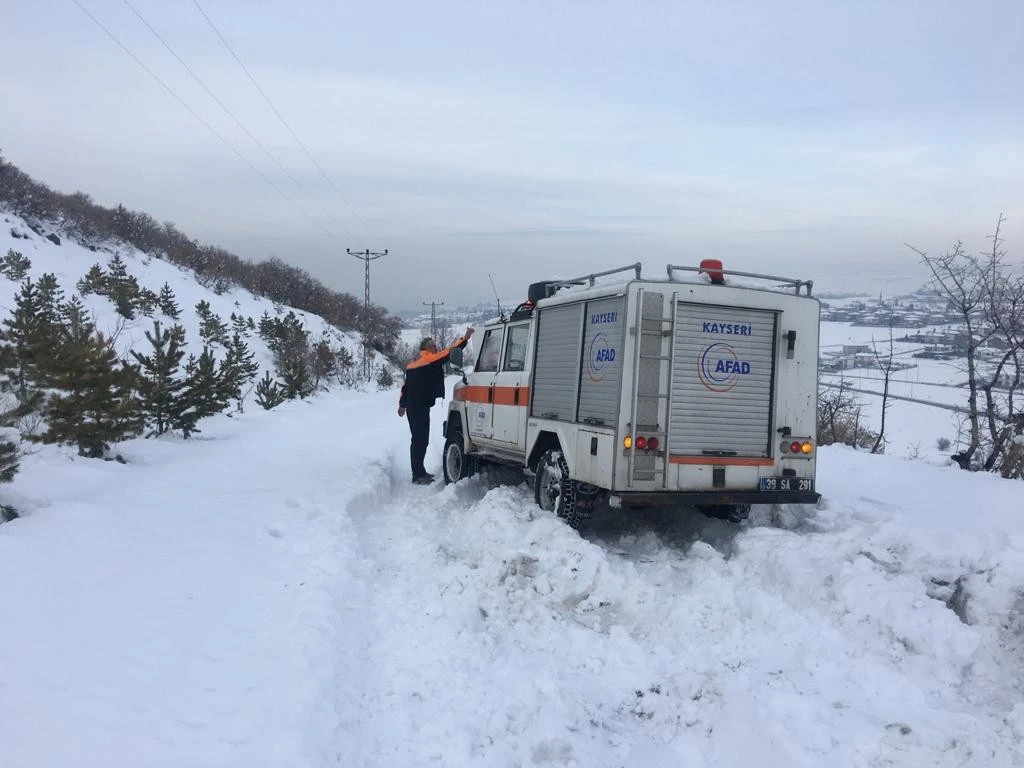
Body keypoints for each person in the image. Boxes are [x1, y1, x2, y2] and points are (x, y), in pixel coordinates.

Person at [398, 328, 474, 484]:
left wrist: (402, 405)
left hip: (414, 407)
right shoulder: (428, 360)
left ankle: (419, 472)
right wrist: (465, 338)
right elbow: (449, 352)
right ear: (425, 349)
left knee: (419, 440)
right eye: (433, 346)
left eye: (435, 346)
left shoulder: (413, 364)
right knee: (420, 440)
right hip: (419, 407)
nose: (436, 348)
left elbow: (406, 387)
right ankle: (418, 475)